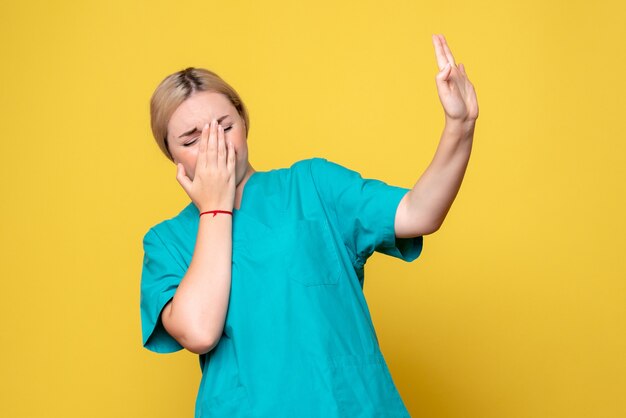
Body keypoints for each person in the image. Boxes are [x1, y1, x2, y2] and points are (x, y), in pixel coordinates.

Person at [140, 34, 478, 417]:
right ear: (171, 155)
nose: (217, 146)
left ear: (244, 121)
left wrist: (460, 127)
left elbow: (418, 213)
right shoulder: (166, 242)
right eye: (192, 139)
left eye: (225, 127)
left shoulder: (312, 186)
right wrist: (215, 209)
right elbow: (199, 332)